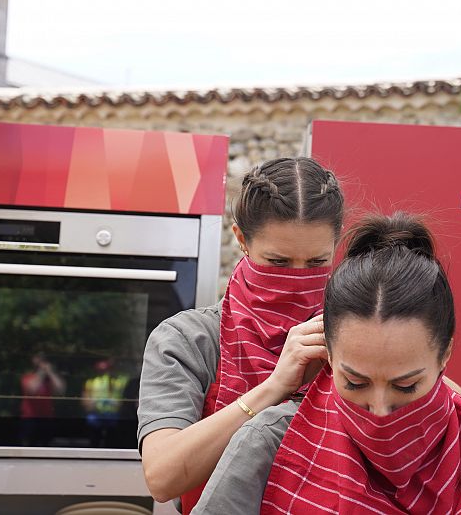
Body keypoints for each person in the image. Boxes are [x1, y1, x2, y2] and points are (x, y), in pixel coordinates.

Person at [197, 212, 461, 514]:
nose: (378, 410)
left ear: (445, 354)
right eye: (356, 383)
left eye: (405, 386)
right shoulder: (271, 441)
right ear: (328, 353)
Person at [137, 157, 345, 511]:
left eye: (316, 263)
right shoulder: (189, 339)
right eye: (277, 262)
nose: (296, 278)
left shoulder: (350, 334)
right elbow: (163, 477)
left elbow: (444, 410)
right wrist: (276, 387)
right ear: (241, 241)